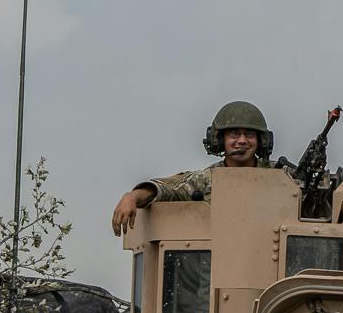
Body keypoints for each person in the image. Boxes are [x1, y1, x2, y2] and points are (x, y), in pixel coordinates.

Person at [110, 100, 290, 234]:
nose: (242, 140)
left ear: (261, 141)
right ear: (219, 141)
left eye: (249, 134)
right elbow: (168, 190)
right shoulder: (206, 180)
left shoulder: (283, 178)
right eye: (234, 134)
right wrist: (132, 197)